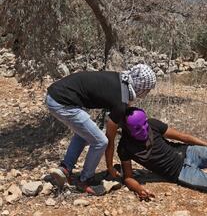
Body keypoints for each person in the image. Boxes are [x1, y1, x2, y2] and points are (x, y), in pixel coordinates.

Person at [46, 64, 156, 195]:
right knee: (100, 141)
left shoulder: (120, 80)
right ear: (141, 86)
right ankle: (86, 180)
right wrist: (109, 167)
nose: (147, 93)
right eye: (147, 89)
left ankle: (65, 168)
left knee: (84, 133)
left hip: (54, 95)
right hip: (62, 102)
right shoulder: (121, 101)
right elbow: (109, 139)